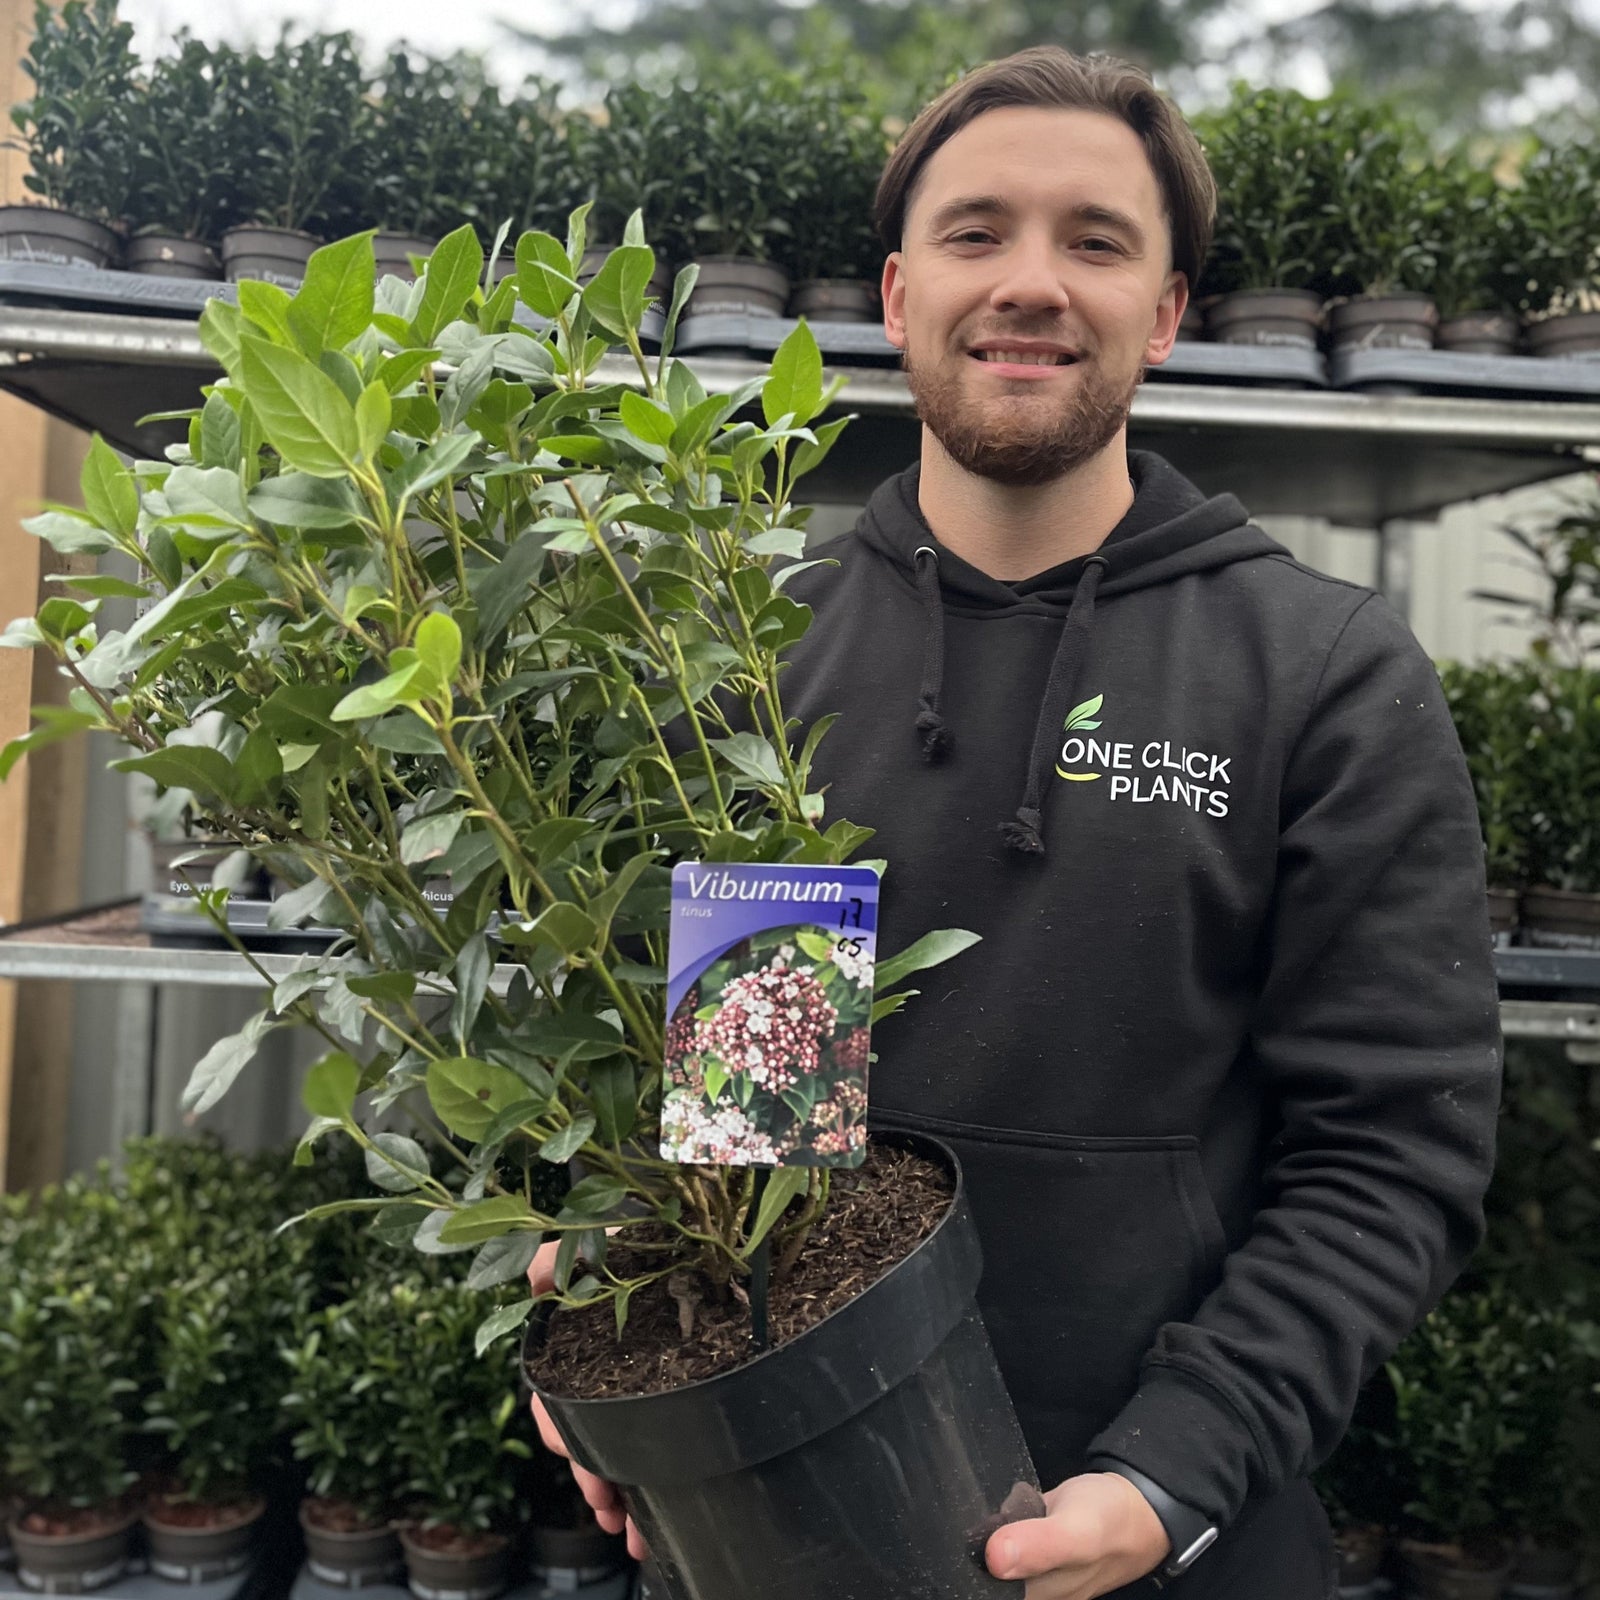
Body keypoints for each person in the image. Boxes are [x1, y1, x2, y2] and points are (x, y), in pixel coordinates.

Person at [530, 45, 1503, 1599]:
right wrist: (611, 1313)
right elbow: (741, 1107)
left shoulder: (1316, 670)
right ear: (903, 295)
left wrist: (1173, 1471)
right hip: (780, 1530)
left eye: (1097, 241)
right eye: (979, 233)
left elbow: (1390, 1152)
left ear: (1169, 312)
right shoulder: (750, 660)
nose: (1033, 283)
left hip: (1169, 1539)